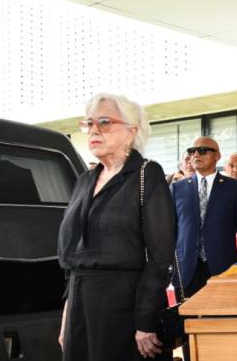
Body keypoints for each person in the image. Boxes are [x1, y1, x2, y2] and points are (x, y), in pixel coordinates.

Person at [58, 93, 175, 360]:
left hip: (123, 305)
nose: (94, 130)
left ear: (131, 131)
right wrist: (67, 313)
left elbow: (161, 255)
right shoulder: (84, 180)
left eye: (104, 122)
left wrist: (145, 320)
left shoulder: (147, 174)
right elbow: (71, 257)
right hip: (80, 304)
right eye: (89, 123)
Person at [172, 136, 237, 296]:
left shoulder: (235, 188)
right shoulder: (177, 189)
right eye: (192, 151)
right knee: (187, 313)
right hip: (186, 272)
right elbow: (170, 232)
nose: (196, 154)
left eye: (203, 150)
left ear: (217, 155)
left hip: (224, 269)